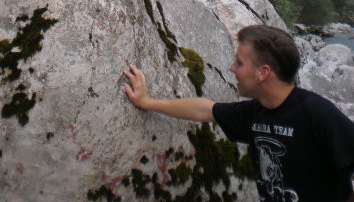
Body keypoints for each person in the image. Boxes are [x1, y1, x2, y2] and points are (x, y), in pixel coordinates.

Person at [124, 25, 354, 202]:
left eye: (240, 63)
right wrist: (147, 102)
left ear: (263, 72)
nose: (232, 68)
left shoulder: (318, 114)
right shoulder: (255, 113)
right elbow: (204, 109)